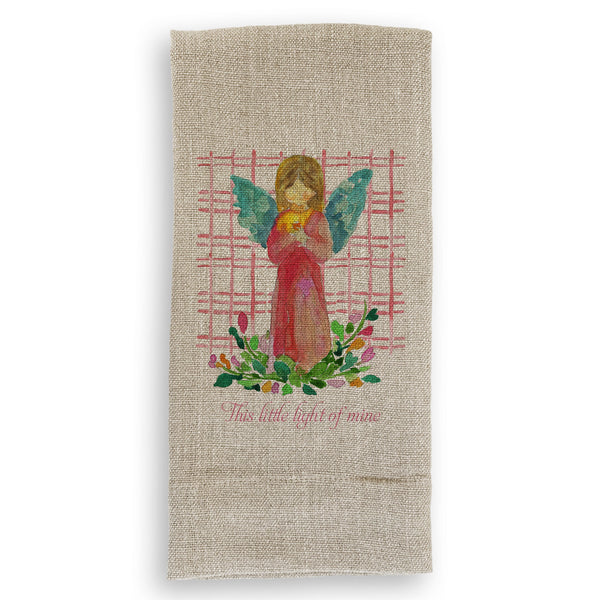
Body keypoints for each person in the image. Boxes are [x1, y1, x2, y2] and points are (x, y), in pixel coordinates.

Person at [267, 156, 333, 371]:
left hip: (307, 279)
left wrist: (305, 240)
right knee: (284, 311)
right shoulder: (281, 219)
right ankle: (284, 358)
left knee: (306, 312)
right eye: (292, 188)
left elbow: (325, 251)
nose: (298, 193)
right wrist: (289, 238)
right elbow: (273, 253)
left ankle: (310, 360)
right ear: (283, 191)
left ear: (314, 191)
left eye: (305, 188)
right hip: (286, 277)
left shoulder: (317, 218)